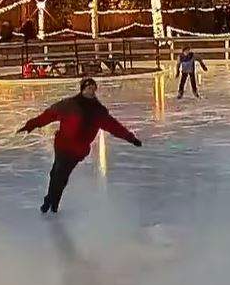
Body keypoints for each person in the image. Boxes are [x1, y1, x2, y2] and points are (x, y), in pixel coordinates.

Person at [18, 78, 141, 213]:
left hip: (77, 150)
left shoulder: (98, 111)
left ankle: (51, 200)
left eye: (93, 88)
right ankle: (52, 200)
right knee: (56, 173)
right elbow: (49, 115)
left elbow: (114, 126)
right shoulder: (68, 105)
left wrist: (131, 138)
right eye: (88, 88)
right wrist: (31, 125)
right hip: (62, 144)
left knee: (61, 174)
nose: (91, 91)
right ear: (83, 89)